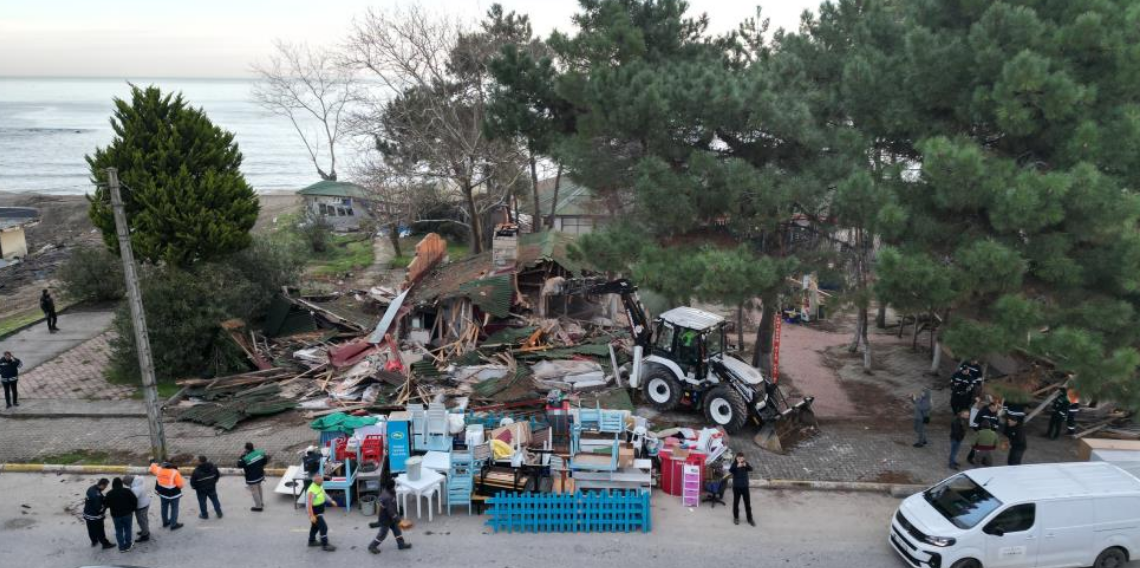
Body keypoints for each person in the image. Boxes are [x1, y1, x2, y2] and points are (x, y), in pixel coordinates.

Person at [367, 478, 412, 554]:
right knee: (382, 535)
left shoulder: (388, 492)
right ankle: (372, 546)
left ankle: (401, 544)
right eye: (395, 486)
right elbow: (391, 512)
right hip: (386, 520)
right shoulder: (388, 497)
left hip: (390, 519)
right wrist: (400, 520)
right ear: (392, 487)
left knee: (397, 531)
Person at [148, 459, 185, 530]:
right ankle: (173, 524)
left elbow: (153, 467)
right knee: (174, 509)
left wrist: (152, 462)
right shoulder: (175, 472)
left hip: (163, 494)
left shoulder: (159, 470)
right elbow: (180, 485)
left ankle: (165, 522)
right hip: (174, 494)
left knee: (164, 508)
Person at [104, 478, 137, 552]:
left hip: (116, 516)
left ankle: (121, 547)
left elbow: (106, 505)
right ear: (121, 484)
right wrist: (132, 509)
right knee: (128, 529)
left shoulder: (109, 493)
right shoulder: (127, 491)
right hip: (127, 514)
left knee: (118, 531)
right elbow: (135, 500)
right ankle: (128, 545)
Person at [306, 474, 338, 551]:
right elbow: (308, 505)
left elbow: (323, 494)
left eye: (322, 479)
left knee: (315, 527)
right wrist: (311, 516)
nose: (322, 481)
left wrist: (331, 500)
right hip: (315, 512)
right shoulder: (311, 491)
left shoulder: (319, 486)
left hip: (320, 510)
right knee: (324, 528)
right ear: (315, 481)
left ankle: (311, 541)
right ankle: (325, 545)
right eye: (320, 480)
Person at [83, 478, 115, 549]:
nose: (106, 488)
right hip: (95, 516)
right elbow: (99, 509)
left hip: (87, 514)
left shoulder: (91, 488)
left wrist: (103, 498)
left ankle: (94, 541)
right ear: (102, 485)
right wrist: (106, 506)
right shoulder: (97, 496)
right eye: (106, 486)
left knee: (90, 529)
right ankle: (105, 544)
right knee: (100, 530)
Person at [190, 455, 223, 520]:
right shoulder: (213, 467)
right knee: (215, 500)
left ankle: (204, 515)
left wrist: (195, 488)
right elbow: (217, 475)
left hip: (201, 490)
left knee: (202, 503)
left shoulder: (196, 471)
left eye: (197, 460)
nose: (196, 461)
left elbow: (193, 482)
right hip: (211, 487)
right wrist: (214, 482)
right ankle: (219, 513)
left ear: (200, 462)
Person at [238, 442, 268, 511]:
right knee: (259, 488)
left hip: (252, 478)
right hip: (260, 475)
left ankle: (258, 506)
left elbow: (239, 465)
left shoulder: (245, 458)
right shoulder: (260, 453)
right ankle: (261, 502)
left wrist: (241, 456)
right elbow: (265, 461)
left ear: (246, 449)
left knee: (255, 491)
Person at [728, 453, 755, 526]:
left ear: (743, 458)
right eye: (738, 458)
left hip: (745, 487)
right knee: (736, 503)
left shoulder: (745, 464)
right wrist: (737, 466)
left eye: (741, 458)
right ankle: (736, 518)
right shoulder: (734, 464)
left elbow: (751, 469)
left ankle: (750, 519)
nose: (739, 459)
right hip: (736, 487)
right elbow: (730, 471)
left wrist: (745, 465)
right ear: (736, 458)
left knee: (747, 504)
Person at [124, 475, 151, 542]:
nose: (127, 485)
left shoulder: (135, 489)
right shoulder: (139, 482)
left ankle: (145, 535)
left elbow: (132, 499)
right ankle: (146, 530)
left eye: (126, 484)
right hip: (145, 503)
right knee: (144, 519)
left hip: (141, 506)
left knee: (141, 521)